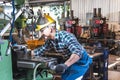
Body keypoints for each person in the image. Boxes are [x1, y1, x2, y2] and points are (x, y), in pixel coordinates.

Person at [31, 14, 92, 80]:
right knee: (64, 78)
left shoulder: (65, 36)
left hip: (80, 63)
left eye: (42, 30)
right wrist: (26, 52)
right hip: (69, 62)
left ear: (50, 27)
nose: (41, 33)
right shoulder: (50, 40)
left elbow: (77, 53)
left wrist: (65, 65)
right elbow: (40, 51)